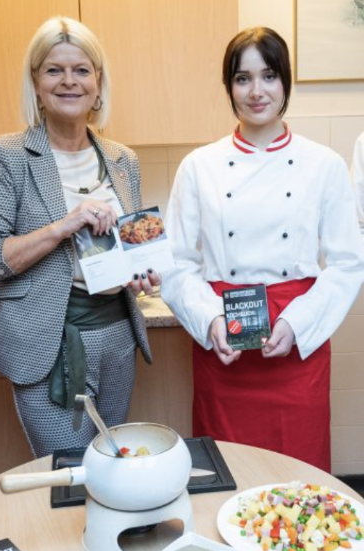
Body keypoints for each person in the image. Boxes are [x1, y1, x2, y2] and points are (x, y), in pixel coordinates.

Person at [161, 27, 364, 472]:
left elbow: (348, 264)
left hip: (297, 342)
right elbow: (175, 262)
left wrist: (297, 322)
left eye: (269, 76)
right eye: (243, 78)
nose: (256, 91)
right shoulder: (199, 166)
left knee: (298, 475)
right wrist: (210, 319)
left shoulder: (324, 165)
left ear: (285, 81)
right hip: (225, 347)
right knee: (227, 470)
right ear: (228, 86)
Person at [0, 16, 160, 458]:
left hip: (118, 337)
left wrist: (141, 273)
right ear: (36, 82)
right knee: (69, 471)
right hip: (48, 342)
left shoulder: (122, 160)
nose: (69, 81)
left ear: (98, 81)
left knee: (111, 467)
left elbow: (128, 248)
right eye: (54, 70)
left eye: (81, 70)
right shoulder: (8, 155)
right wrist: (61, 227)